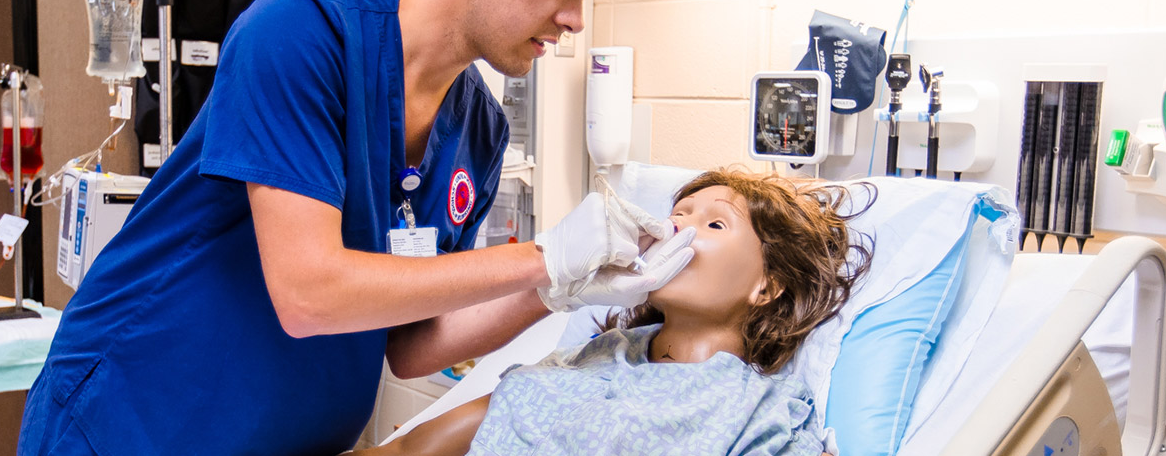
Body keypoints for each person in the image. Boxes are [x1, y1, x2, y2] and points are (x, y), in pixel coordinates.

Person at [19, 0, 696, 455]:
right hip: (136, 422)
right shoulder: (302, 34)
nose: (575, 19)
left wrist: (557, 292)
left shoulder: (479, 129)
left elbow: (411, 341)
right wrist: (546, 258)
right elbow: (309, 291)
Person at [352, 169, 872, 456]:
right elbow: (404, 453)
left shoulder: (760, 409)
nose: (678, 232)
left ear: (766, 287)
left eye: (715, 226)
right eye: (676, 216)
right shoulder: (589, 360)